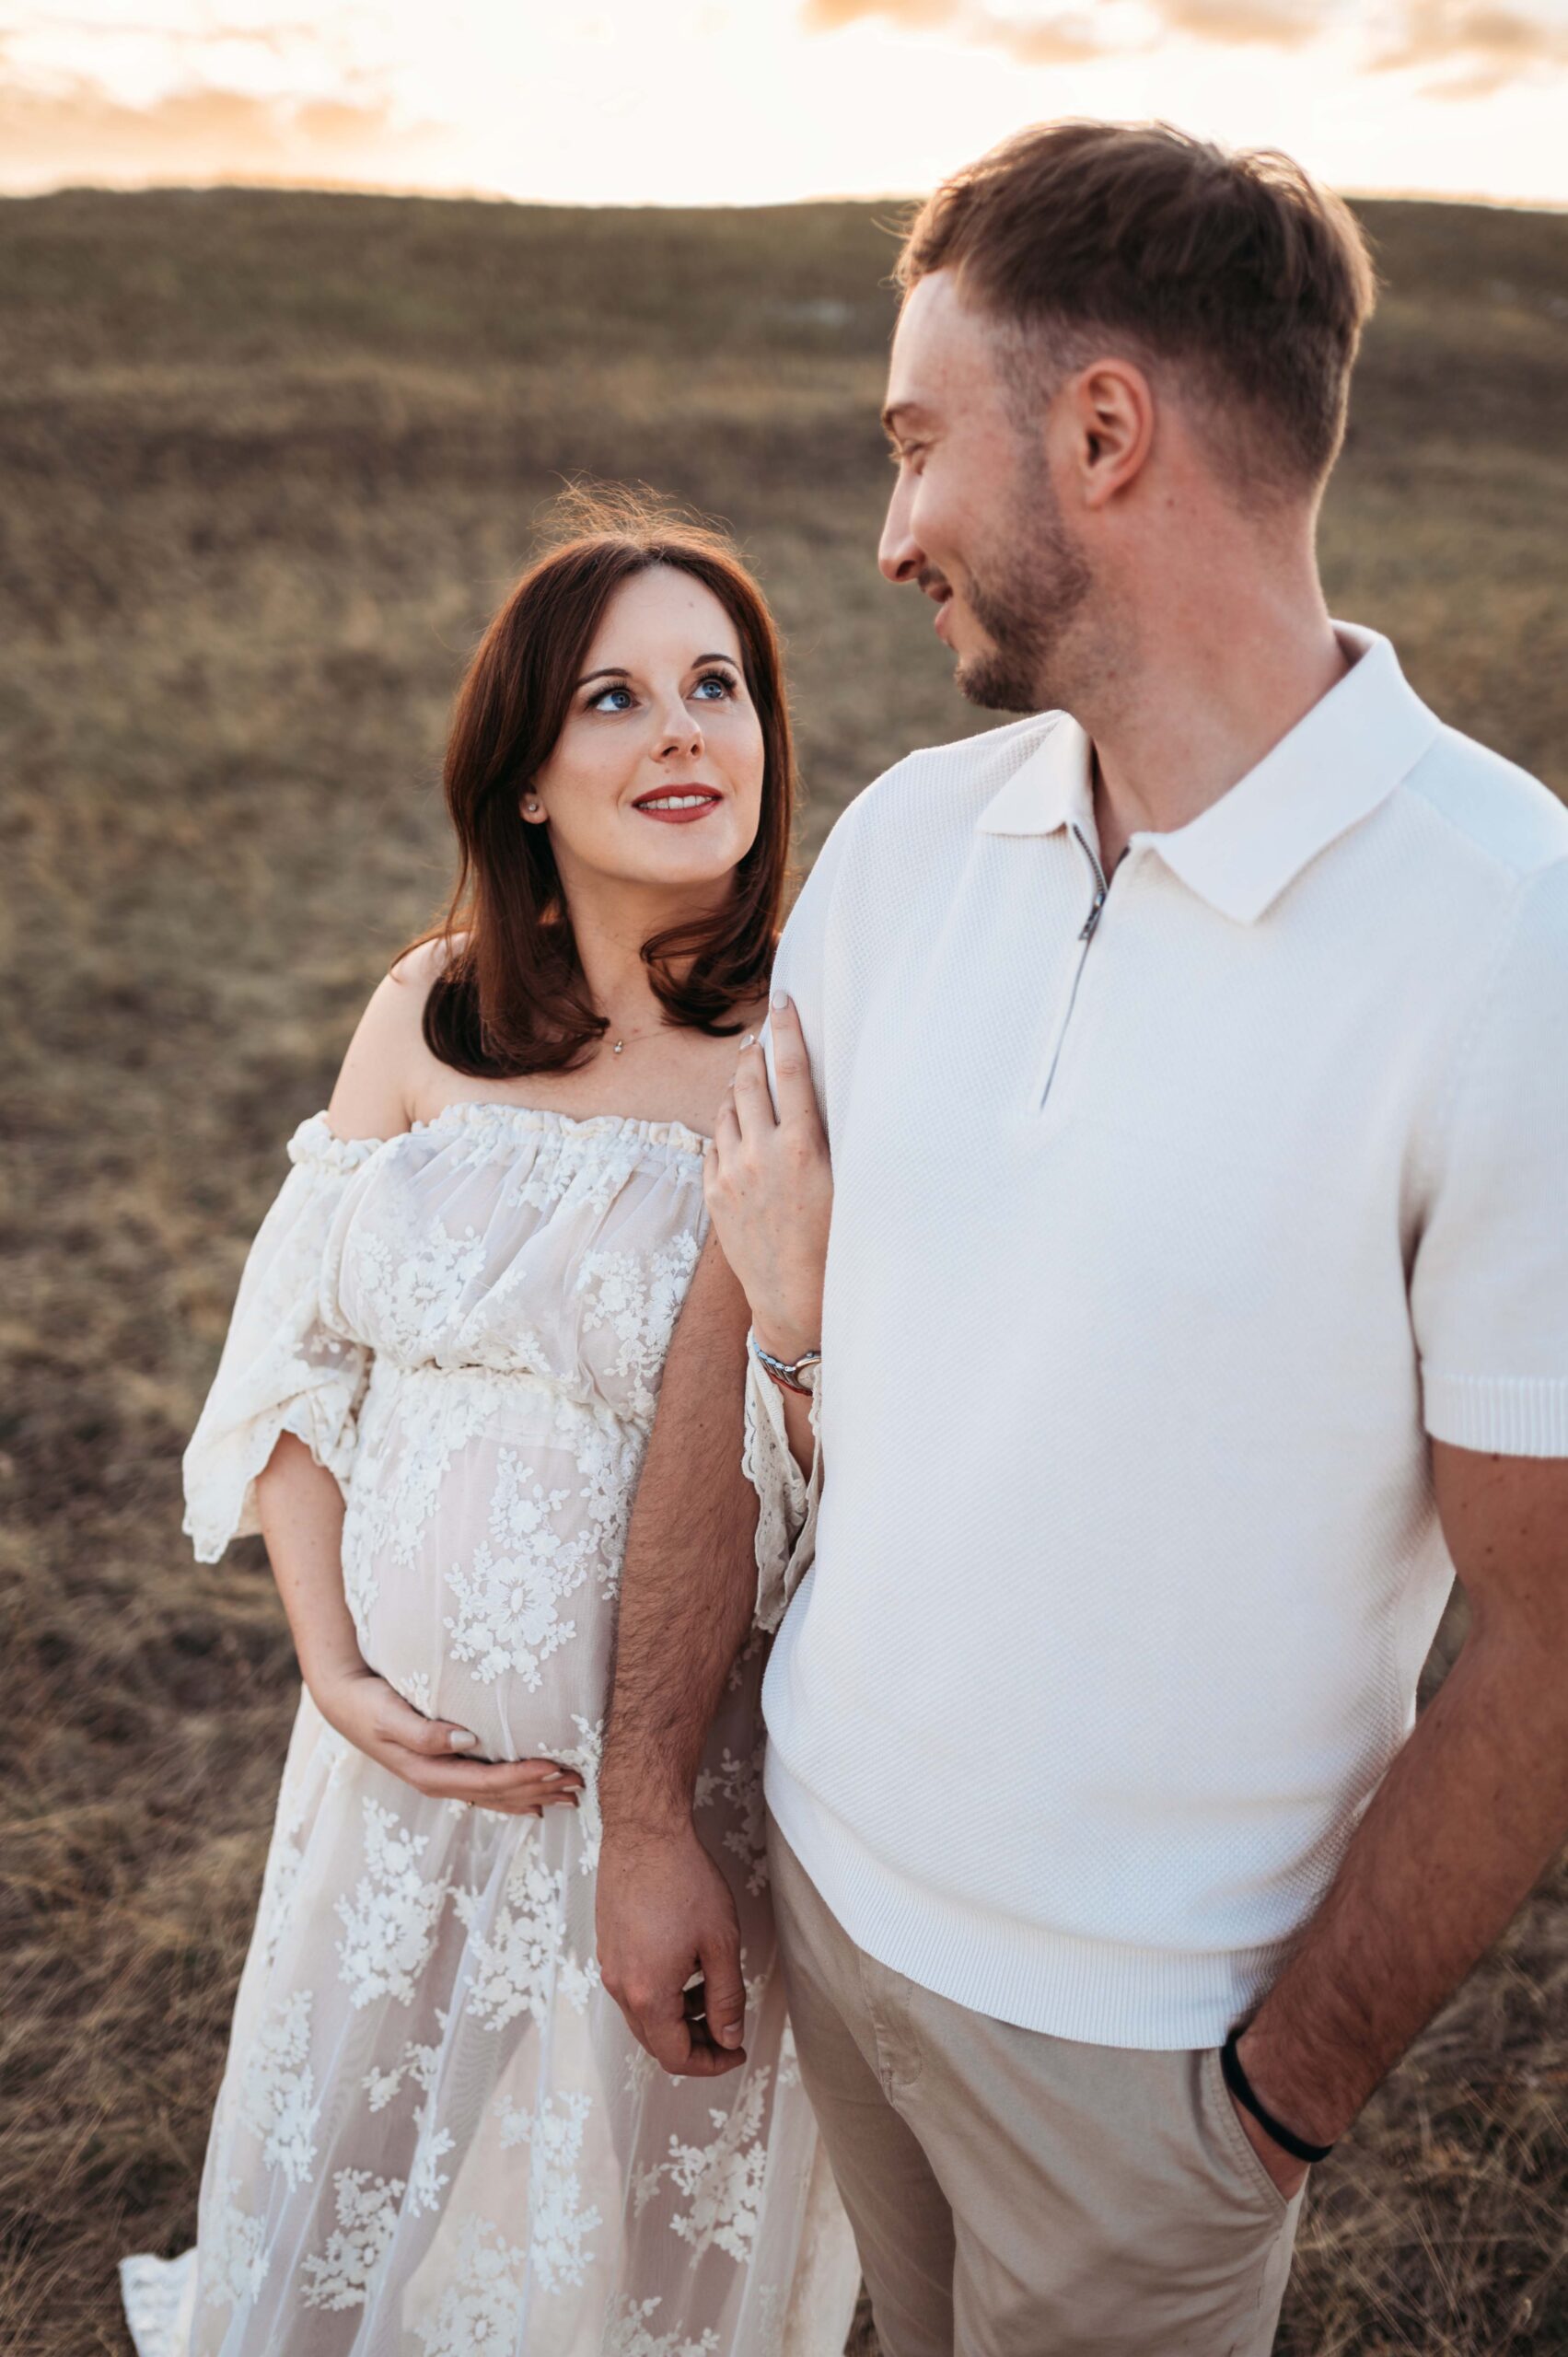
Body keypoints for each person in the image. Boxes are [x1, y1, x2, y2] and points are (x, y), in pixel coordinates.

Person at [596, 123, 1568, 2355]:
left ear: (1104, 433)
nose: (889, 534)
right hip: (828, 1913)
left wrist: (1277, 2098)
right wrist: (656, 1804)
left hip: (1147, 2070)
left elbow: (1551, 1626)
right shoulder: (908, 843)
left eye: (917, 443)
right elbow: (723, 1331)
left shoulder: (1511, 937)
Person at [120, 498, 860, 2357]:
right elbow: (301, 1360)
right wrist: (336, 1667)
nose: (683, 732)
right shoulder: (428, 1008)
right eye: (615, 697)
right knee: (360, 2189)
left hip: (679, 1794)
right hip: (394, 1789)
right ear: (525, 773)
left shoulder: (815, 1052)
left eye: (717, 686)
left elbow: (856, 1443)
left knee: (598, 2240)